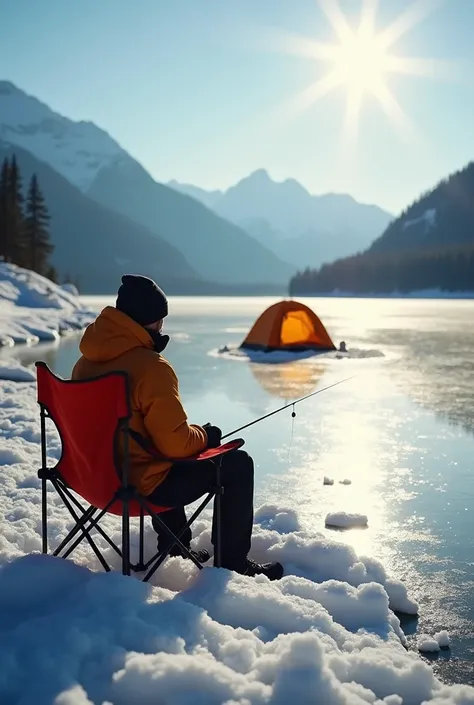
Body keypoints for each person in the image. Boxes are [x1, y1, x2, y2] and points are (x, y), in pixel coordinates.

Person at [72, 274, 283, 581]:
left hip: (93, 479)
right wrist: (206, 435)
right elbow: (176, 445)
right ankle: (233, 563)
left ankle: (175, 545)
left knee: (149, 447)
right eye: (160, 320)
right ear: (149, 320)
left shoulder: (84, 363)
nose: (162, 327)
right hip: (137, 486)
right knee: (237, 463)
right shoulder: (151, 367)